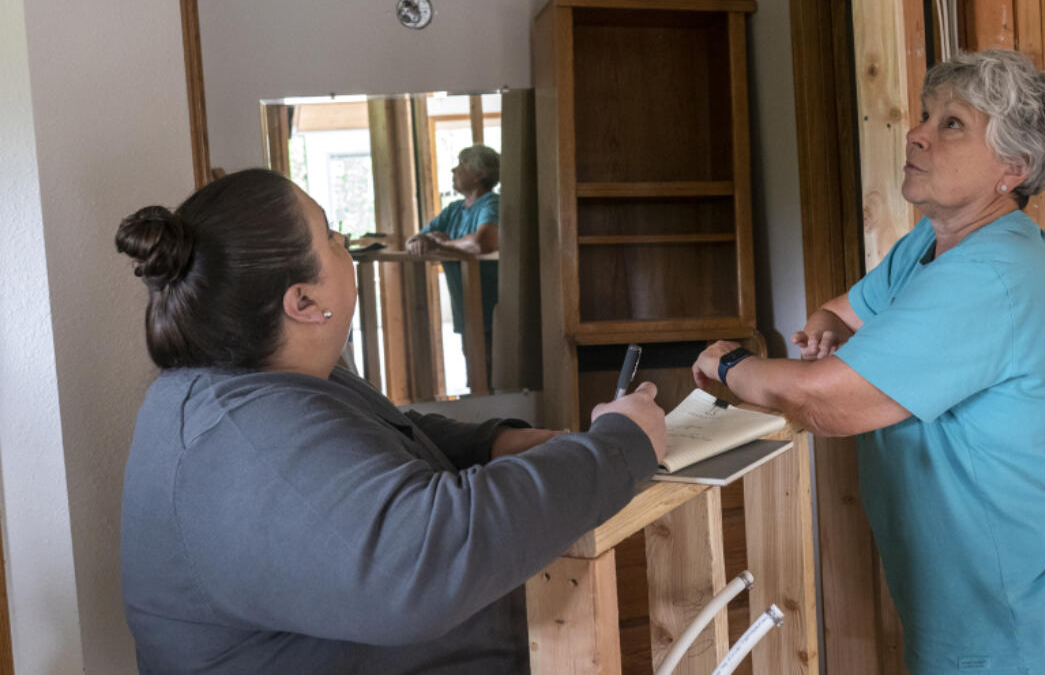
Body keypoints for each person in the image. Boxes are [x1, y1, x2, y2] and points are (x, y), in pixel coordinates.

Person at [115, 168, 666, 675]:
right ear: (304, 301)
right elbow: (429, 557)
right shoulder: (241, 439)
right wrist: (618, 447)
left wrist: (493, 442)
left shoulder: (265, 384)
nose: (344, 246)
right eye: (330, 235)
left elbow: (373, 433)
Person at [692, 50, 1045, 675]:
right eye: (927, 115)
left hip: (1032, 627)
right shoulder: (934, 240)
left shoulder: (992, 273)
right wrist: (824, 327)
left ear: (1013, 168)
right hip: (981, 618)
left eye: (952, 124)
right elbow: (845, 310)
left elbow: (825, 400)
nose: (918, 133)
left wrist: (729, 362)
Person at [406, 144, 500, 383]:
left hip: (494, 314)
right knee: (476, 378)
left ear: (478, 174)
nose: (453, 170)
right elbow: (416, 238)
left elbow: (484, 241)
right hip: (467, 314)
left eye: (461, 165)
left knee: (491, 379)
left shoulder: (491, 203)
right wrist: (421, 241)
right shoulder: (454, 209)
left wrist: (444, 245)